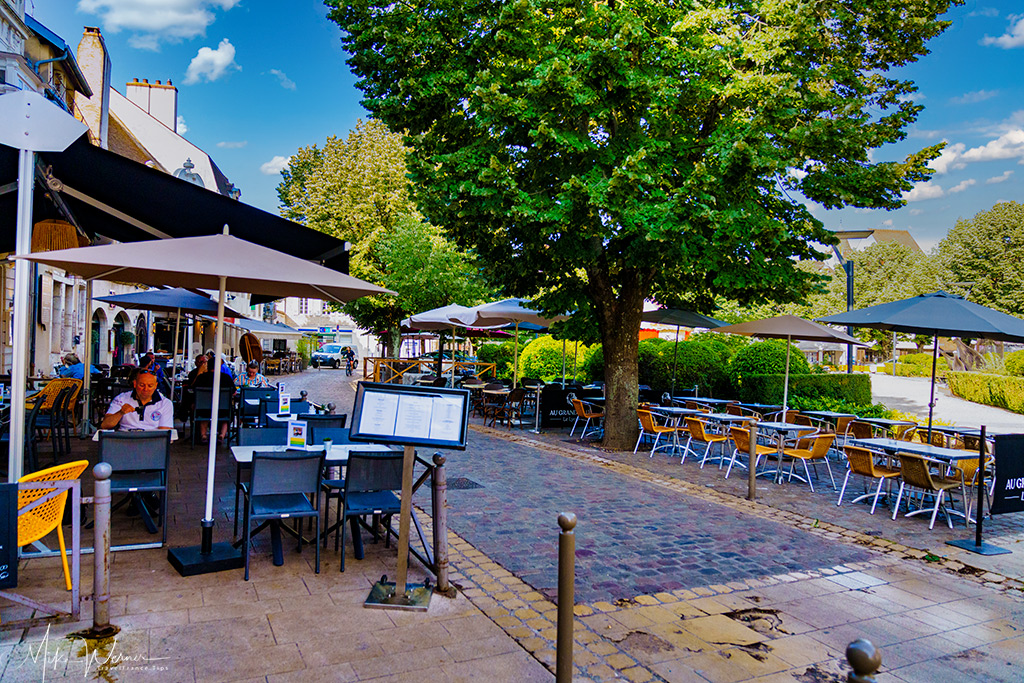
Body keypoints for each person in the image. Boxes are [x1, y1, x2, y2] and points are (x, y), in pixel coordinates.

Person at [100, 369, 174, 431]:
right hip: (125, 441)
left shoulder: (165, 403)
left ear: (155, 386)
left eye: (150, 386)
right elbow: (105, 425)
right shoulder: (121, 399)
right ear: (135, 384)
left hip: (152, 442)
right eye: (142, 385)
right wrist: (120, 413)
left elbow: (164, 433)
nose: (146, 389)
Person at [193, 360, 236, 444]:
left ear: (208, 367)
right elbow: (234, 392)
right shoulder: (226, 377)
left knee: (202, 414)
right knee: (228, 413)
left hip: (204, 409)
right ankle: (222, 435)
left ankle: (204, 435)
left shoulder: (201, 378)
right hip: (223, 409)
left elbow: (193, 389)